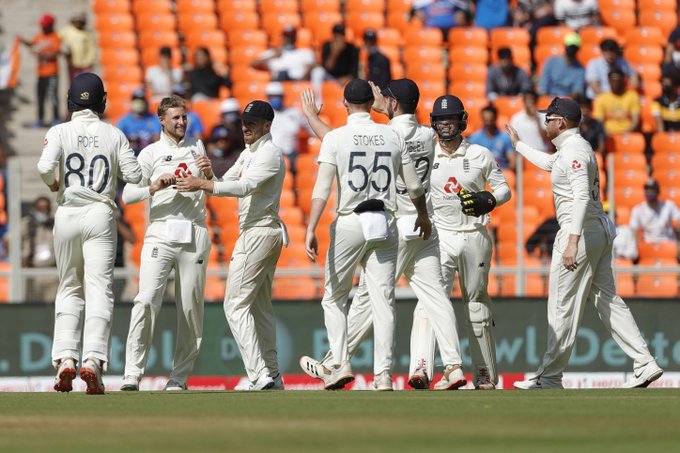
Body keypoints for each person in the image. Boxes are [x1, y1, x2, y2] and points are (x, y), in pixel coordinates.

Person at [298, 79, 466, 391]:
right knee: (435, 298)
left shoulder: (390, 133)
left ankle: (336, 362)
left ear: (392, 104)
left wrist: (315, 117)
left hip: (393, 223)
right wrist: (379, 108)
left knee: (367, 299)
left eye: (385, 98)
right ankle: (454, 366)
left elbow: (341, 142)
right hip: (423, 223)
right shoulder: (428, 135)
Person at [506, 97, 664, 389]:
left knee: (561, 304)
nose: (545, 123)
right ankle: (645, 362)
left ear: (561, 122)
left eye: (549, 118)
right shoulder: (572, 149)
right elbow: (549, 163)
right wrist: (518, 145)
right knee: (608, 301)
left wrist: (571, 242)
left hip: (579, 232)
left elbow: (580, 197)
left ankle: (550, 376)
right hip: (595, 230)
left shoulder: (574, 152)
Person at [37, 72, 143, 394]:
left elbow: (44, 168)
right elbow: (135, 175)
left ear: (71, 101)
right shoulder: (114, 134)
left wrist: (54, 185)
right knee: (100, 289)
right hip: (100, 214)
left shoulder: (59, 131)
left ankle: (66, 359)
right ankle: (93, 360)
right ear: (103, 102)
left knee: (69, 286)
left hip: (68, 213)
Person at [175, 100, 287, 391]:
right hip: (258, 232)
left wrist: (201, 184)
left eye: (253, 122)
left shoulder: (270, 154)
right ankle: (273, 376)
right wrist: (207, 173)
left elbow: (244, 187)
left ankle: (258, 374)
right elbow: (226, 183)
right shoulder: (249, 152)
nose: (245, 127)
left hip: (259, 233)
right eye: (244, 122)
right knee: (260, 308)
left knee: (235, 304)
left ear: (267, 125)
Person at [413, 94, 512, 390]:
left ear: (462, 121)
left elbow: (504, 189)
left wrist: (488, 199)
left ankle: (484, 374)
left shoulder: (480, 154)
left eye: (451, 119)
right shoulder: (426, 155)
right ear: (433, 123)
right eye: (441, 120)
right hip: (439, 238)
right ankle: (421, 367)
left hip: (474, 237)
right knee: (430, 301)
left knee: (477, 305)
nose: (445, 125)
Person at [119, 95, 211, 392]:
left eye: (184, 117)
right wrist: (154, 186)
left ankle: (179, 378)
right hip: (160, 232)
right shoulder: (150, 153)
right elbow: (127, 196)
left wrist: (208, 174)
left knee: (190, 308)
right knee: (145, 300)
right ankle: (132, 373)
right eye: (175, 118)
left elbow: (213, 185)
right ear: (161, 120)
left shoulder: (197, 148)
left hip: (194, 233)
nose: (181, 122)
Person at [20, 14, 61, 127]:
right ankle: (40, 119)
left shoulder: (55, 37)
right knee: (40, 97)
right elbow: (32, 44)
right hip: (41, 73)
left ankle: (56, 119)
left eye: (45, 26)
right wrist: (23, 41)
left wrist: (39, 53)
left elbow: (55, 53)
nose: (43, 27)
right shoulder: (39, 36)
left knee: (53, 97)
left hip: (52, 73)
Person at [265, 81, 312, 171]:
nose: (276, 98)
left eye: (278, 96)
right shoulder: (264, 115)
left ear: (283, 97)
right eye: (273, 96)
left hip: (292, 155)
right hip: (272, 155)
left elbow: (310, 128)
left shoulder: (294, 113)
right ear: (268, 97)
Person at [20, 196, 58, 302]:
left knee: (52, 307)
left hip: (52, 273)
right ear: (35, 209)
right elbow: (8, 239)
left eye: (46, 208)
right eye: (40, 208)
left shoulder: (55, 224)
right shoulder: (26, 223)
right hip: (33, 272)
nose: (43, 211)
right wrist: (20, 258)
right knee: (33, 307)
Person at [251, 26, 316, 82]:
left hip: (297, 81)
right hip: (278, 83)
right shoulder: (274, 52)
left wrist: (301, 79)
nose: (288, 39)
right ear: (282, 37)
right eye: (286, 37)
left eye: (291, 37)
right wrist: (273, 56)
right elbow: (253, 63)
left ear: (295, 38)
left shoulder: (305, 52)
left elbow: (310, 67)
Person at [629, 178, 680, 247]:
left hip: (668, 242)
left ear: (658, 192)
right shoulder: (638, 209)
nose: (650, 192)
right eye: (647, 190)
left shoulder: (669, 205)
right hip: (648, 243)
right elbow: (633, 230)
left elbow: (678, 220)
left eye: (652, 190)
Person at [311, 23, 359, 94]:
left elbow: (354, 70)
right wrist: (335, 53)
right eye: (336, 35)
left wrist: (347, 78)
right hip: (330, 76)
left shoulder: (352, 48)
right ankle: (317, 100)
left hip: (345, 77)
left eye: (341, 35)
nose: (338, 38)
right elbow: (327, 67)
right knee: (317, 72)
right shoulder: (327, 45)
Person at [593, 68, 640, 135]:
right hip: (608, 135)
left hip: (627, 134)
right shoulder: (601, 98)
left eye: (618, 80)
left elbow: (635, 120)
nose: (615, 82)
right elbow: (599, 121)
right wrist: (608, 134)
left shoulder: (632, 96)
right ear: (609, 81)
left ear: (623, 80)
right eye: (613, 80)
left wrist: (626, 133)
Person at [538, 33, 586, 98]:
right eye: (570, 46)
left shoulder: (580, 69)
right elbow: (543, 85)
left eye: (574, 47)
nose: (571, 49)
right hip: (549, 98)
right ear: (565, 46)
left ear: (578, 49)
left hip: (567, 102)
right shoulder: (551, 61)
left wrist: (565, 102)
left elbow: (577, 90)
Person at [469, 104, 516, 169]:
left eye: (490, 120)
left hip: (501, 172)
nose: (488, 123)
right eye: (486, 120)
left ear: (495, 118)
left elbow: (512, 162)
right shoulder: (475, 138)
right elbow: (470, 160)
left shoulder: (505, 137)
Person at [117, 89, 161, 155]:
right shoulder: (124, 120)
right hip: (130, 154)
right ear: (131, 102)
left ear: (146, 103)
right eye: (136, 101)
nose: (139, 103)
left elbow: (157, 139)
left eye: (141, 101)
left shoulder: (154, 119)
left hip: (150, 154)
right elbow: (118, 140)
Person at [58, 12, 95, 81]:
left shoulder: (86, 33)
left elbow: (91, 48)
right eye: (76, 21)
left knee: (85, 83)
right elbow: (58, 39)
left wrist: (90, 61)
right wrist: (64, 51)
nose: (78, 23)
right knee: (73, 82)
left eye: (80, 21)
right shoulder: (67, 31)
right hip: (72, 63)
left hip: (84, 63)